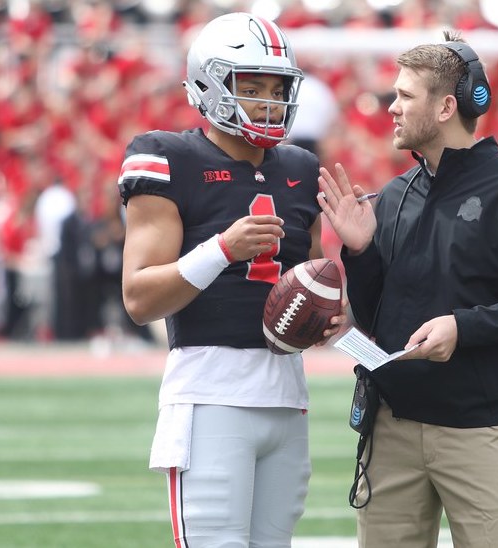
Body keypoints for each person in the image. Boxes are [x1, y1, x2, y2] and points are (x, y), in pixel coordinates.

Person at [318, 31, 498, 548]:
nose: (391, 108)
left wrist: (464, 327)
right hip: (390, 427)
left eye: (404, 97)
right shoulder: (394, 195)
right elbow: (377, 320)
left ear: (445, 107)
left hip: (479, 429)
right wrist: (360, 252)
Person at [118, 13, 343, 548]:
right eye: (252, 86)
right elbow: (139, 297)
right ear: (210, 83)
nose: (269, 100)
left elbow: (309, 281)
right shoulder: (167, 157)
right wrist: (220, 250)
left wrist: (333, 312)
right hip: (209, 396)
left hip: (287, 398)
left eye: (277, 87)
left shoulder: (301, 168)